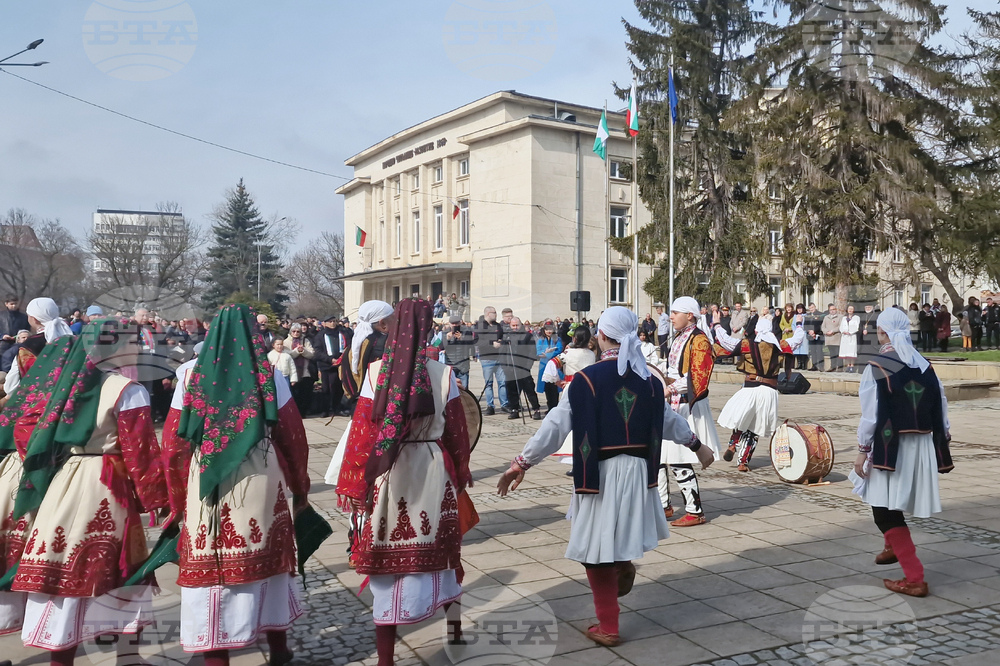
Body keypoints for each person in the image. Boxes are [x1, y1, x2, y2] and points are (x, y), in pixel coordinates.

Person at [497, 306, 713, 647]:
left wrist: (521, 463)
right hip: (639, 472)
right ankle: (621, 564)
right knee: (612, 537)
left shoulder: (585, 380)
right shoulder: (649, 381)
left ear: (600, 336)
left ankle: (609, 624)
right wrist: (698, 446)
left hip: (599, 473)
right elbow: (670, 422)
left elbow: (554, 427)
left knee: (594, 548)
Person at [9, 318, 169, 664]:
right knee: (123, 567)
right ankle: (128, 657)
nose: (140, 349)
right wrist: (157, 499)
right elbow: (140, 452)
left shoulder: (66, 385)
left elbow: (26, 424)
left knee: (63, 566)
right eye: (134, 343)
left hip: (68, 479)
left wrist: (47, 464)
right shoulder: (128, 390)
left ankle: (62, 658)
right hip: (108, 482)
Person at [162, 304, 309, 665]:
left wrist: (176, 497)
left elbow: (173, 444)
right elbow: (292, 437)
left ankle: (217, 655)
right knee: (268, 560)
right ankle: (278, 648)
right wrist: (300, 487)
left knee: (210, 566)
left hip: (205, 479)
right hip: (259, 474)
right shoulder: (269, 375)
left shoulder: (189, 375)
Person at [338, 299, 471, 666]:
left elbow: (362, 434)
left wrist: (355, 484)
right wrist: (460, 475)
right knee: (444, 553)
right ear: (427, 328)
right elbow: (458, 434)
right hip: (432, 468)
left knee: (387, 555)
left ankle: (386, 657)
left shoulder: (375, 372)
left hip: (389, 470)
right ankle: (455, 631)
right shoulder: (443, 374)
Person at [850, 308, 953, 598]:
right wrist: (943, 437)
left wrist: (862, 450)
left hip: (891, 445)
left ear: (882, 332)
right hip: (920, 445)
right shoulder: (925, 365)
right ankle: (891, 545)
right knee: (887, 501)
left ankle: (915, 577)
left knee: (884, 511)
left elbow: (871, 415)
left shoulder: (878, 365)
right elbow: (941, 403)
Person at [0, 300, 77, 638]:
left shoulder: (28, 348)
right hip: (67, 439)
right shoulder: (74, 343)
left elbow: (17, 389)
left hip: (29, 433)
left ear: (31, 318)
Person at [658, 297, 722, 527]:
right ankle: (663, 505)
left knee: (678, 457)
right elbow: (672, 368)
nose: (671, 317)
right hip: (673, 401)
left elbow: (697, 377)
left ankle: (695, 512)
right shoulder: (678, 336)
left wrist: (669, 388)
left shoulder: (700, 340)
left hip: (687, 403)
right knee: (660, 455)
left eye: (675, 312)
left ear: (690, 316)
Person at [714, 317, 793, 471]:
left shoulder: (747, 344)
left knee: (742, 420)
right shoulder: (780, 345)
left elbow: (726, 341)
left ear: (756, 330)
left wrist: (717, 325)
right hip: (769, 391)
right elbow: (797, 340)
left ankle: (733, 444)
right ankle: (743, 462)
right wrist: (800, 326)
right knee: (755, 427)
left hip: (750, 389)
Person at [3, 300, 75, 397]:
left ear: (34, 319)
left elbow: (11, 387)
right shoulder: (72, 339)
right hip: (71, 397)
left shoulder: (28, 345)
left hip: (39, 400)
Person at [499, 317, 543, 420]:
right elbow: (502, 353)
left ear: (521, 324)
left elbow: (532, 352)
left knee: (529, 389)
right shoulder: (507, 336)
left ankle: (536, 409)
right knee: (511, 390)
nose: (515, 327)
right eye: (513, 325)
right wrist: (505, 367)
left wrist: (527, 366)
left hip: (523, 368)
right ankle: (514, 409)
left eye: (517, 325)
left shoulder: (527, 336)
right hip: (510, 368)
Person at [314, 316, 353, 418]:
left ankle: (337, 408)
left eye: (334, 321)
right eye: (330, 321)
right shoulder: (321, 335)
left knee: (338, 388)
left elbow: (349, 346)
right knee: (326, 389)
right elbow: (318, 351)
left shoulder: (342, 333)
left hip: (340, 365)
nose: (332, 323)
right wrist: (330, 360)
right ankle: (325, 409)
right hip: (326, 366)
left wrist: (342, 358)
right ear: (325, 323)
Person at [474, 307, 508, 416]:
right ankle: (490, 406)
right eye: (494, 313)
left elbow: (502, 337)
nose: (496, 314)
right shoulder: (479, 326)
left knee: (502, 382)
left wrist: (501, 342)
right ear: (488, 313)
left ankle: (504, 405)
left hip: (498, 357)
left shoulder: (498, 326)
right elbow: (476, 341)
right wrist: (491, 343)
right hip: (486, 358)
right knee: (489, 384)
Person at [285, 322, 316, 416]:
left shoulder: (305, 341)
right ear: (290, 332)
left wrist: (303, 350)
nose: (296, 333)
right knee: (295, 393)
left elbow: (311, 354)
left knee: (305, 393)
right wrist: (297, 351)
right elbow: (287, 356)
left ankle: (303, 412)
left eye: (298, 331)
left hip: (305, 371)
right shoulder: (286, 342)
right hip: (292, 372)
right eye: (294, 331)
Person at [535, 325, 563, 412]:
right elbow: (538, 350)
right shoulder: (541, 339)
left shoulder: (557, 339)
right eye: (547, 330)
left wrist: (548, 354)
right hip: (544, 365)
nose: (549, 331)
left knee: (555, 386)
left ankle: (554, 406)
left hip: (554, 364)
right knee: (547, 386)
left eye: (550, 329)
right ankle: (549, 406)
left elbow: (559, 349)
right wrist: (544, 353)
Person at [444, 314, 476, 389]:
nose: (455, 325)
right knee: (451, 389)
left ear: (460, 323)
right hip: (450, 365)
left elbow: (471, 345)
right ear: (449, 324)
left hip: (463, 365)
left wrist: (462, 338)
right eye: (453, 324)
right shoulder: (445, 332)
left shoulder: (467, 331)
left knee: (464, 390)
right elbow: (440, 346)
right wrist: (447, 339)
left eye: (457, 324)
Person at [822, 304, 842, 372]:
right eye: (831, 310)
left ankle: (839, 367)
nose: (832, 311)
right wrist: (826, 332)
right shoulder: (826, 317)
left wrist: (833, 331)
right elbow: (823, 327)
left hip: (836, 338)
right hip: (829, 339)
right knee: (832, 354)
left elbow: (840, 326)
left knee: (838, 353)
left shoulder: (840, 317)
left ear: (836, 310)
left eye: (833, 309)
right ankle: (832, 367)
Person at [839, 306, 860, 372]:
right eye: (849, 309)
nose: (850, 310)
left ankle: (852, 366)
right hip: (845, 337)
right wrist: (843, 331)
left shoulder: (856, 318)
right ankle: (848, 365)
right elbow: (841, 327)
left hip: (852, 336)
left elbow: (857, 327)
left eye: (851, 309)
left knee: (852, 352)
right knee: (846, 352)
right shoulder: (844, 318)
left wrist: (850, 332)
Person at [805, 303, 824, 371]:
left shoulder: (820, 314)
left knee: (819, 351)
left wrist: (814, 331)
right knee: (813, 351)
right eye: (810, 308)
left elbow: (820, 324)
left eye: (812, 307)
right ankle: (814, 365)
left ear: (815, 307)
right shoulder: (807, 315)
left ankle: (821, 366)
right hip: (810, 336)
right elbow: (805, 325)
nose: (811, 309)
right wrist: (809, 331)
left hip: (818, 335)